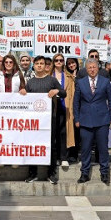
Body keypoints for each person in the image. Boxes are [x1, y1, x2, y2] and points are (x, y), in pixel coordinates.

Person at [73, 58, 111, 185]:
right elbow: (76, 102)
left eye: (94, 67)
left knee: (103, 148)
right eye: (89, 68)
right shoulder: (80, 82)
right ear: (86, 69)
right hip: (85, 120)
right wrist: (77, 118)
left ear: (98, 68)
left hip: (102, 119)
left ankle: (104, 172)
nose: (92, 70)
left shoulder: (105, 81)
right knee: (85, 148)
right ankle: (84, 173)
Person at [25, 56, 66, 184]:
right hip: (34, 121)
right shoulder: (30, 82)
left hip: (49, 119)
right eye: (37, 63)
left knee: (51, 145)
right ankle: (33, 173)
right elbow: (25, 100)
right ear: (34, 66)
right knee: (33, 146)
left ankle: (51, 173)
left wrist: (56, 90)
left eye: (41, 63)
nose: (39, 65)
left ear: (45, 65)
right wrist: (22, 93)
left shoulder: (52, 80)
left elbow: (64, 93)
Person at [51, 53, 75, 168]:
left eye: (61, 60)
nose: (59, 62)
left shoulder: (69, 77)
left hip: (65, 106)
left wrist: (73, 110)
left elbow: (73, 95)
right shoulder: (49, 75)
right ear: (53, 62)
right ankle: (55, 157)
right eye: (56, 60)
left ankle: (64, 157)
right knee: (53, 132)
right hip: (52, 106)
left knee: (63, 132)